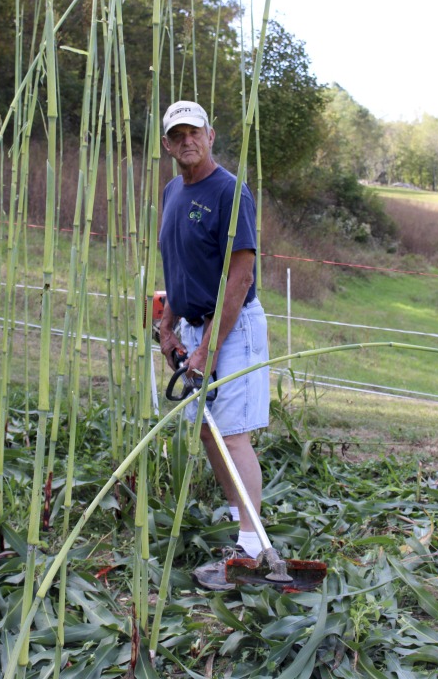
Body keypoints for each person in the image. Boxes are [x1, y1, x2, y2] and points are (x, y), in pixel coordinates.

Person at [158, 100, 271, 589]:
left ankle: (254, 550)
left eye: (194, 131)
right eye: (177, 134)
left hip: (233, 326)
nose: (187, 140)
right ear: (167, 143)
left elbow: (240, 277)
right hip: (193, 326)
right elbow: (180, 267)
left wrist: (208, 347)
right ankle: (239, 521)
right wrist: (168, 325)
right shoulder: (171, 192)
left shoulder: (230, 191)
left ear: (211, 135)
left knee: (231, 433)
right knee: (207, 431)